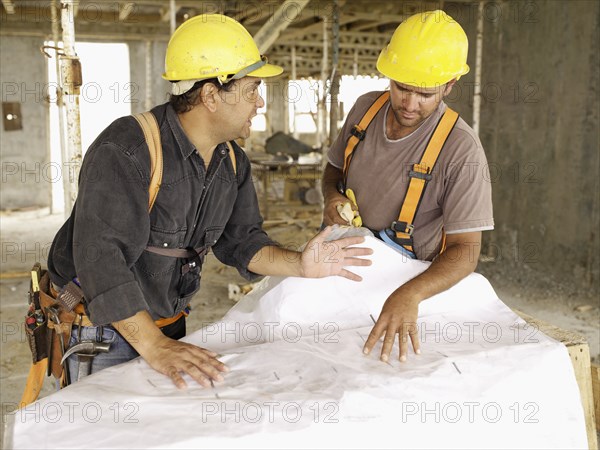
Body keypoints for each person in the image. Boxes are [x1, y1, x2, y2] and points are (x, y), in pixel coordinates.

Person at [47, 14, 372, 389]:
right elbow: (100, 260)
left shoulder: (231, 162)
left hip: (168, 325)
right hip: (102, 333)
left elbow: (242, 243)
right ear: (211, 95)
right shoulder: (127, 149)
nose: (260, 102)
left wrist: (300, 264)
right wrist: (154, 345)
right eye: (251, 89)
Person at [322, 10, 494, 364]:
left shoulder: (460, 150)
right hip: (346, 263)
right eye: (401, 87)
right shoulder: (365, 109)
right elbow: (332, 169)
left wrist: (410, 295)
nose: (409, 104)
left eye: (425, 94)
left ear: (448, 86)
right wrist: (331, 196)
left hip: (411, 277)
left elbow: (465, 251)